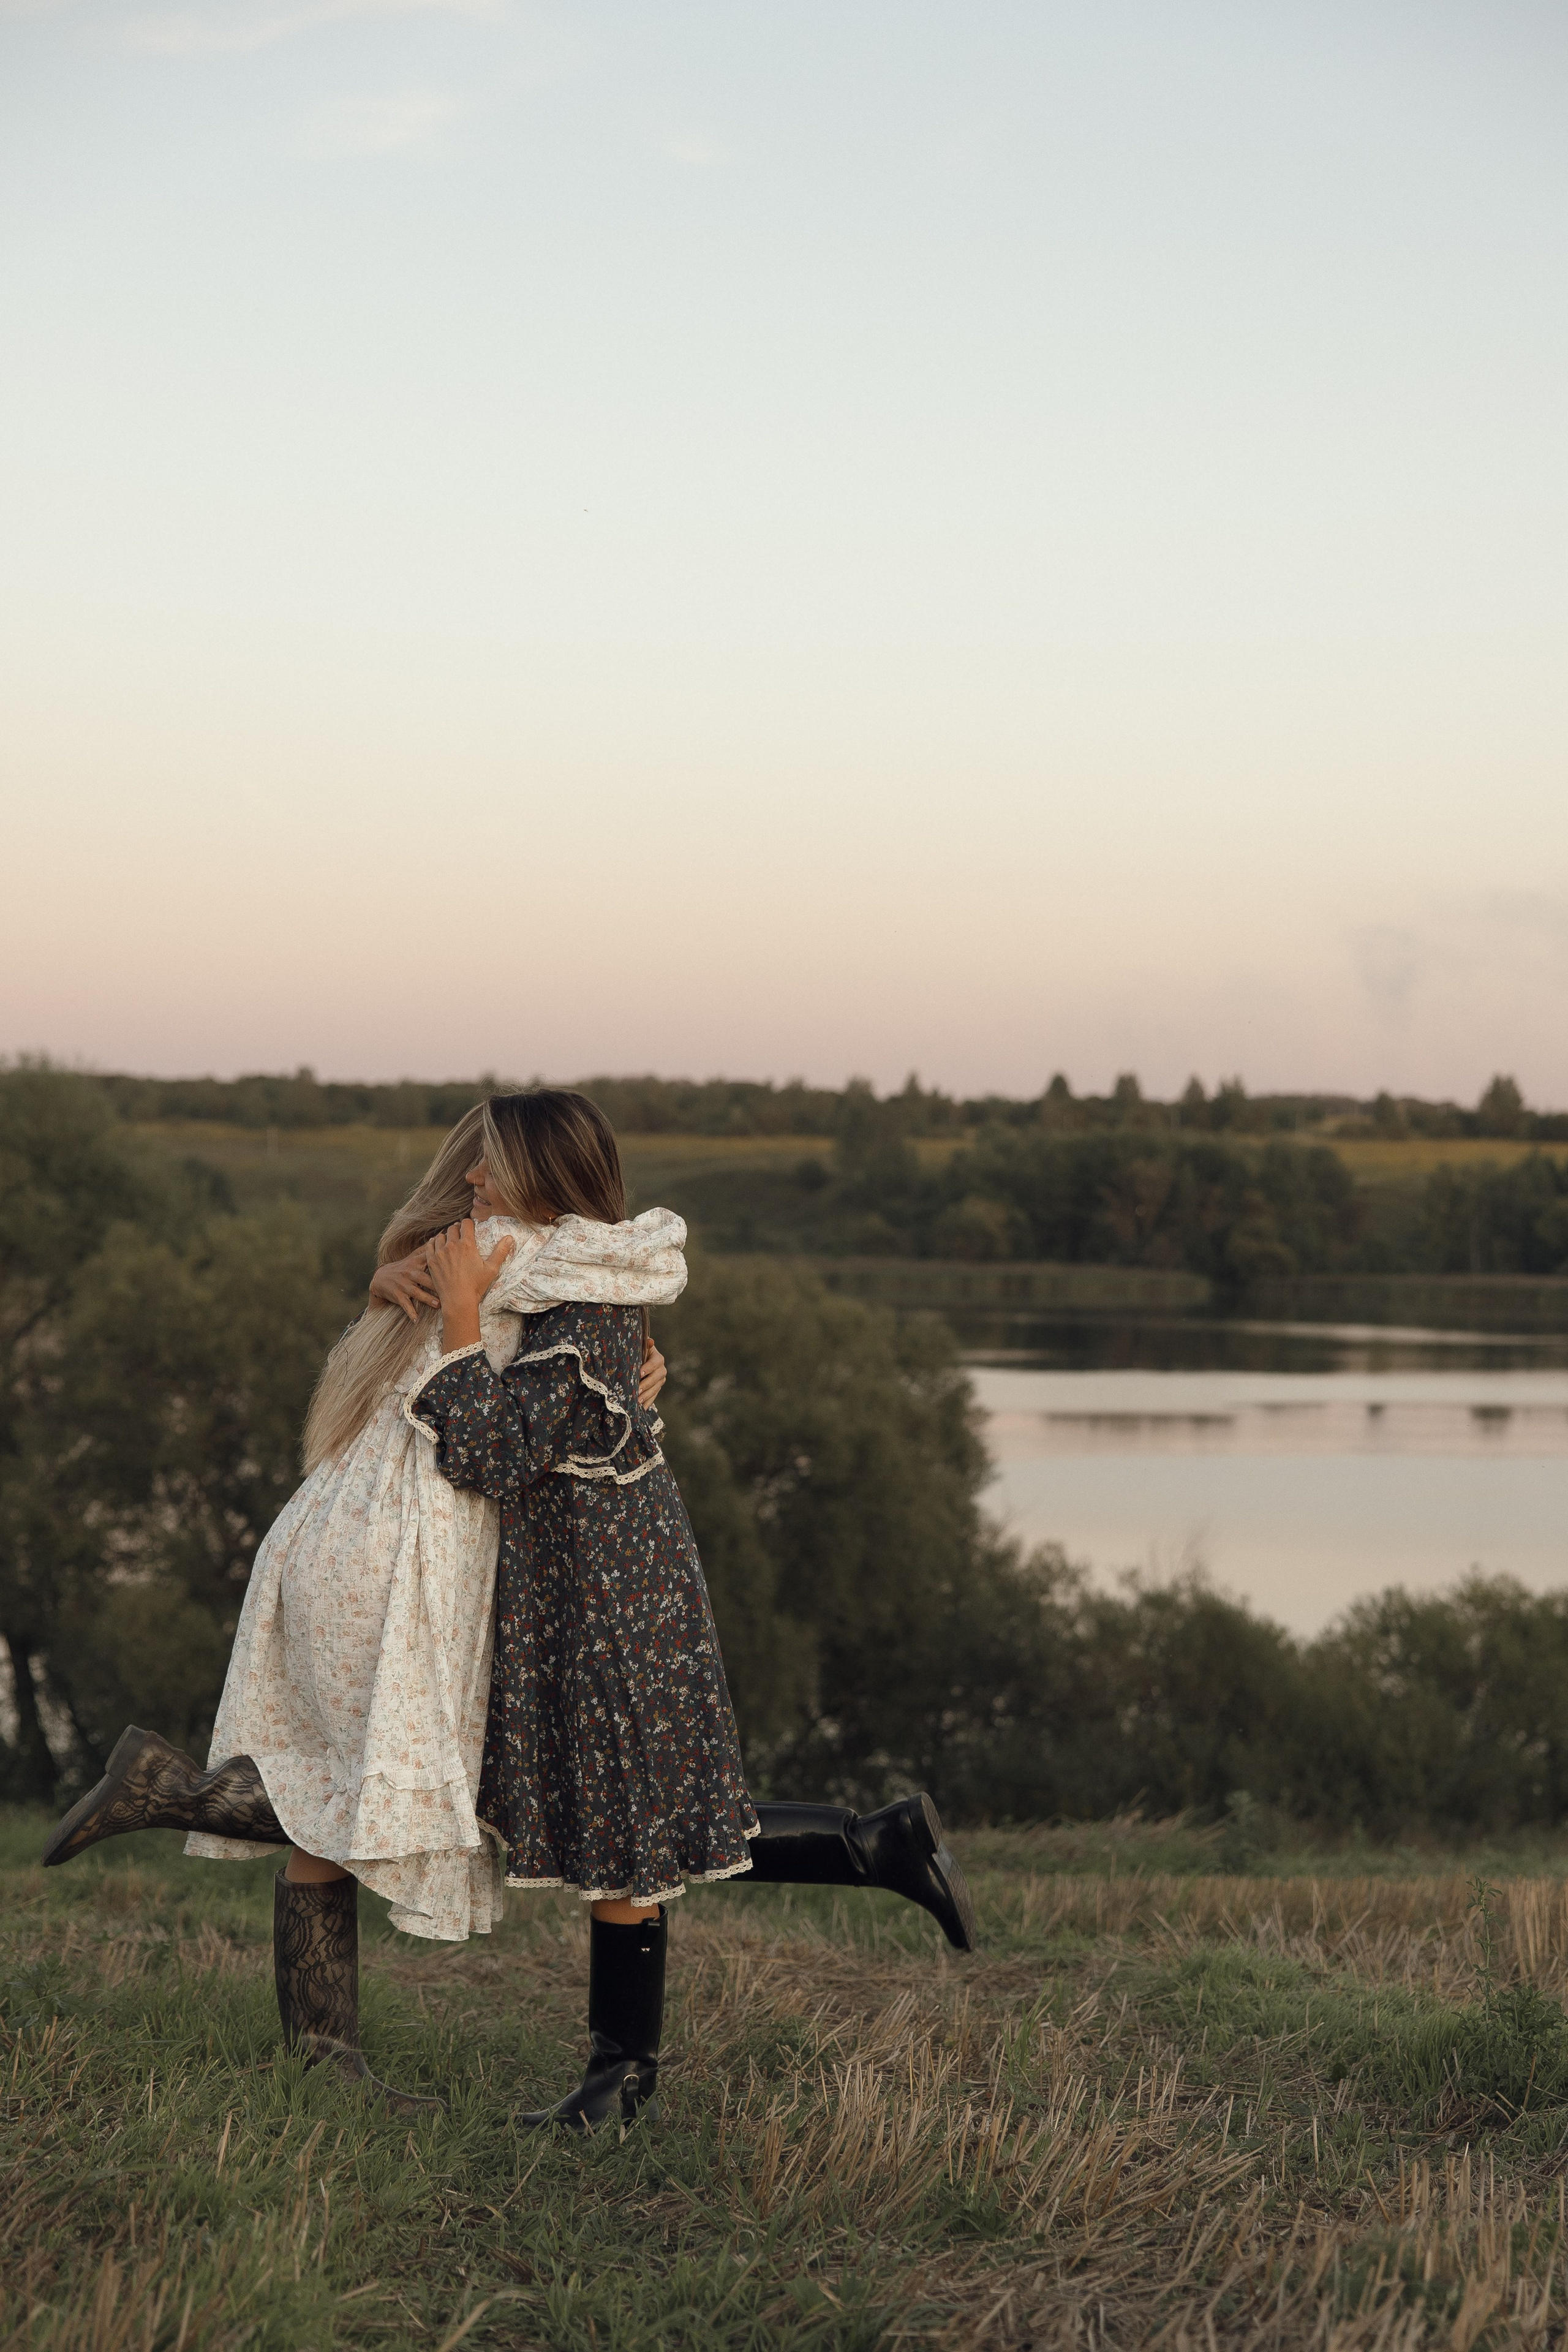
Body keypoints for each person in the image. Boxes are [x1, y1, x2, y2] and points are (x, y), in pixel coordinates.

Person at [44, 1090, 978, 2130]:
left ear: (545, 1175)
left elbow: (508, 1429)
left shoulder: (541, 1277)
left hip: (486, 1565)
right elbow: (502, 1424)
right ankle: (191, 1820)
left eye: (492, 1165)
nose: (474, 1181)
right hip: (430, 1556)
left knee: (600, 1809)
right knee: (508, 1803)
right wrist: (480, 1321)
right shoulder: (534, 1267)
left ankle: (333, 2036)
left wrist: (570, 1361)